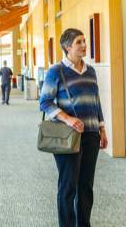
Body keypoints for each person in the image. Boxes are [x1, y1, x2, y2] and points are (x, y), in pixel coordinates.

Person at [39, 28, 107, 227]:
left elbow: (96, 101)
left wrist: (102, 128)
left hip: (91, 134)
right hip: (67, 136)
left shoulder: (91, 71)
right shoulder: (55, 71)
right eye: (79, 42)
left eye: (84, 41)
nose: (84, 45)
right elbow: (45, 102)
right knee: (68, 187)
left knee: (86, 186)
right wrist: (67, 118)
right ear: (67, 47)